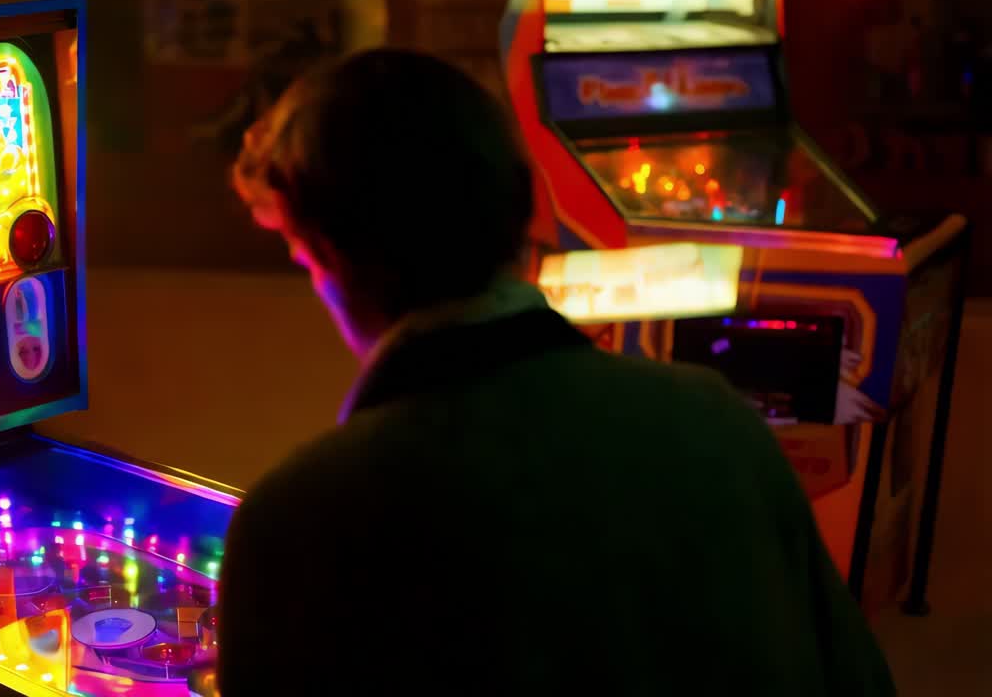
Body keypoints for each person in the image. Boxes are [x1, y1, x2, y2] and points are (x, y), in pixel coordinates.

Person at [215, 48, 894, 696]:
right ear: (519, 204)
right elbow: (858, 682)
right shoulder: (718, 421)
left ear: (332, 256)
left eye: (304, 262)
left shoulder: (298, 518)